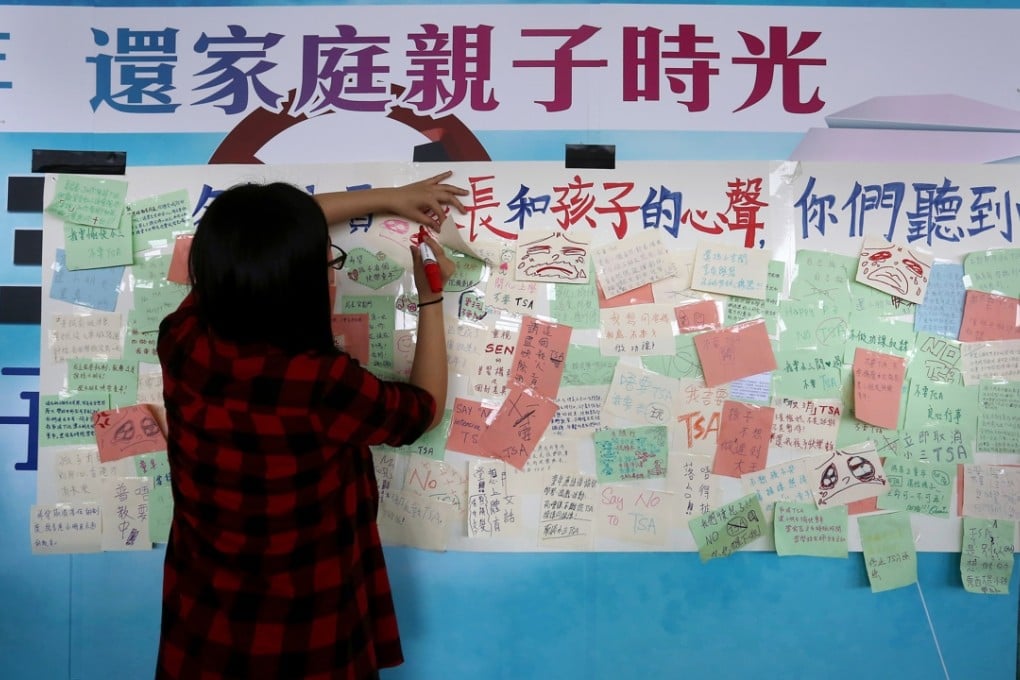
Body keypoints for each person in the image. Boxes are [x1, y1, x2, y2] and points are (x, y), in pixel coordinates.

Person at [155, 171, 468, 679]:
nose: (331, 273)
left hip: (205, 614)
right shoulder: (320, 383)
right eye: (328, 263)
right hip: (303, 623)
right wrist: (430, 294)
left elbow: (259, 238)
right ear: (294, 284)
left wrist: (393, 197)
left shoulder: (185, 337)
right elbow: (423, 410)